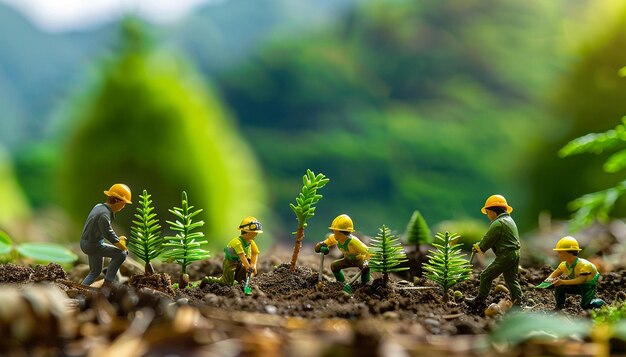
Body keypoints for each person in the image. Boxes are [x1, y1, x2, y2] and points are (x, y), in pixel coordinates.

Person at [466, 194, 523, 308]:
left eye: (487, 212)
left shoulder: (498, 224)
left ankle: (480, 300)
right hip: (515, 254)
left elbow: (488, 239)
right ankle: (518, 303)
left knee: (486, 276)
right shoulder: (510, 220)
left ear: (493, 211)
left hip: (506, 255)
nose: (487, 215)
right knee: (511, 279)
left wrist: (479, 247)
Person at [80, 183, 131, 286]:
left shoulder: (99, 207)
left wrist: (117, 240)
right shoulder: (104, 215)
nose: (124, 206)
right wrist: (120, 244)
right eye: (124, 203)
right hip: (93, 245)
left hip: (87, 242)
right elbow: (108, 233)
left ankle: (80, 289)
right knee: (121, 254)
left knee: (95, 272)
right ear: (117, 201)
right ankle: (107, 284)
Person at [543, 236, 604, 310]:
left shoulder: (584, 265)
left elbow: (581, 280)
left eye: (560, 252)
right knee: (560, 288)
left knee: (585, 306)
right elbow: (555, 273)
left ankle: (601, 303)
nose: (558, 255)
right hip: (577, 285)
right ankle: (559, 307)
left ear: (570, 252)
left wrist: (562, 281)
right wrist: (546, 282)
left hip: (587, 286)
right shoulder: (564, 264)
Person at [203, 216, 262, 286]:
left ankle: (243, 286)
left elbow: (255, 253)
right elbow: (242, 256)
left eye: (256, 233)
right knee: (226, 283)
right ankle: (207, 280)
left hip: (241, 262)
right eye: (254, 233)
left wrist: (253, 264)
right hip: (231, 262)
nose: (255, 234)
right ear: (246, 231)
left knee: (243, 280)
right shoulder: (237, 242)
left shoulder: (251, 242)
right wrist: (248, 267)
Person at [315, 214, 371, 284]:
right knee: (334, 266)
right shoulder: (337, 238)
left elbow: (367, 251)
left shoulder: (353, 242)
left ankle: (365, 284)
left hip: (359, 260)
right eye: (334, 231)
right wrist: (321, 245)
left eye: (336, 232)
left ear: (344, 232)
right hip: (347, 260)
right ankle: (341, 282)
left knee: (365, 268)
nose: (334, 234)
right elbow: (327, 242)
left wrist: (367, 261)